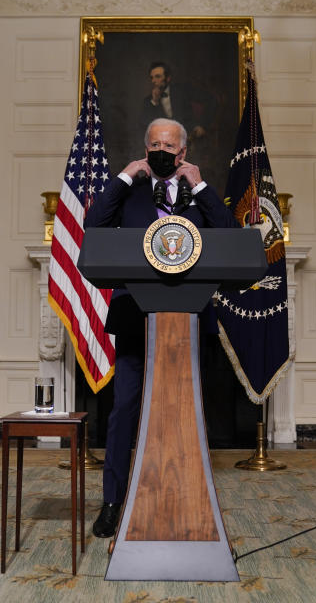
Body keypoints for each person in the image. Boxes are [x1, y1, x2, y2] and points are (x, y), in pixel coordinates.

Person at [84, 117, 238, 538]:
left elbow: (229, 236)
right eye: (154, 144)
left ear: (183, 152)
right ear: (144, 147)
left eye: (169, 147)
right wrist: (125, 175)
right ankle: (113, 502)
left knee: (185, 411)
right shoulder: (130, 191)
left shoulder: (198, 193)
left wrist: (202, 187)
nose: (161, 152)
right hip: (136, 316)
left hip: (187, 320)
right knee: (123, 412)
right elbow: (94, 226)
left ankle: (185, 494)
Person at [139, 61, 214, 143]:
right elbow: (144, 124)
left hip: (188, 137)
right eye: (152, 77)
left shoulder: (183, 90)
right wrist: (155, 102)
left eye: (157, 76)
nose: (153, 81)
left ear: (168, 78)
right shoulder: (149, 101)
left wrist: (202, 125)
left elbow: (210, 100)